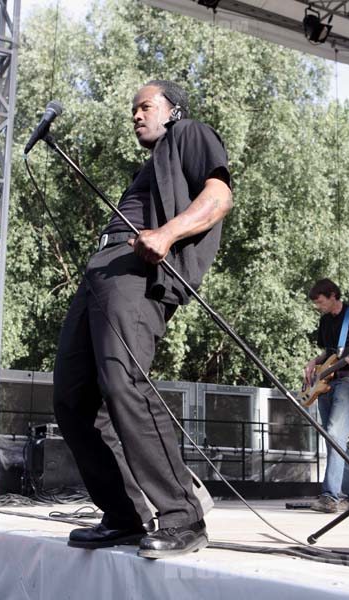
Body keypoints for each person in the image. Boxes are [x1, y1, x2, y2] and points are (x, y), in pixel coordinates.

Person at [53, 80, 232, 558]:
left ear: (173, 111)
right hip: (102, 272)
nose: (136, 115)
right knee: (71, 399)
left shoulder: (190, 134)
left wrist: (168, 234)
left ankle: (182, 517)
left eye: (145, 106)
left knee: (124, 383)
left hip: (135, 273)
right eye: (132, 109)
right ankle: (125, 515)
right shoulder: (150, 166)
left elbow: (219, 196)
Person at [304, 278, 349, 513]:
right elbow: (329, 353)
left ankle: (329, 496)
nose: (319, 307)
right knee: (333, 439)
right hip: (326, 383)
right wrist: (314, 361)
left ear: (333, 295)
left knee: (334, 435)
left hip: (347, 381)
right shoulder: (325, 321)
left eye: (321, 302)